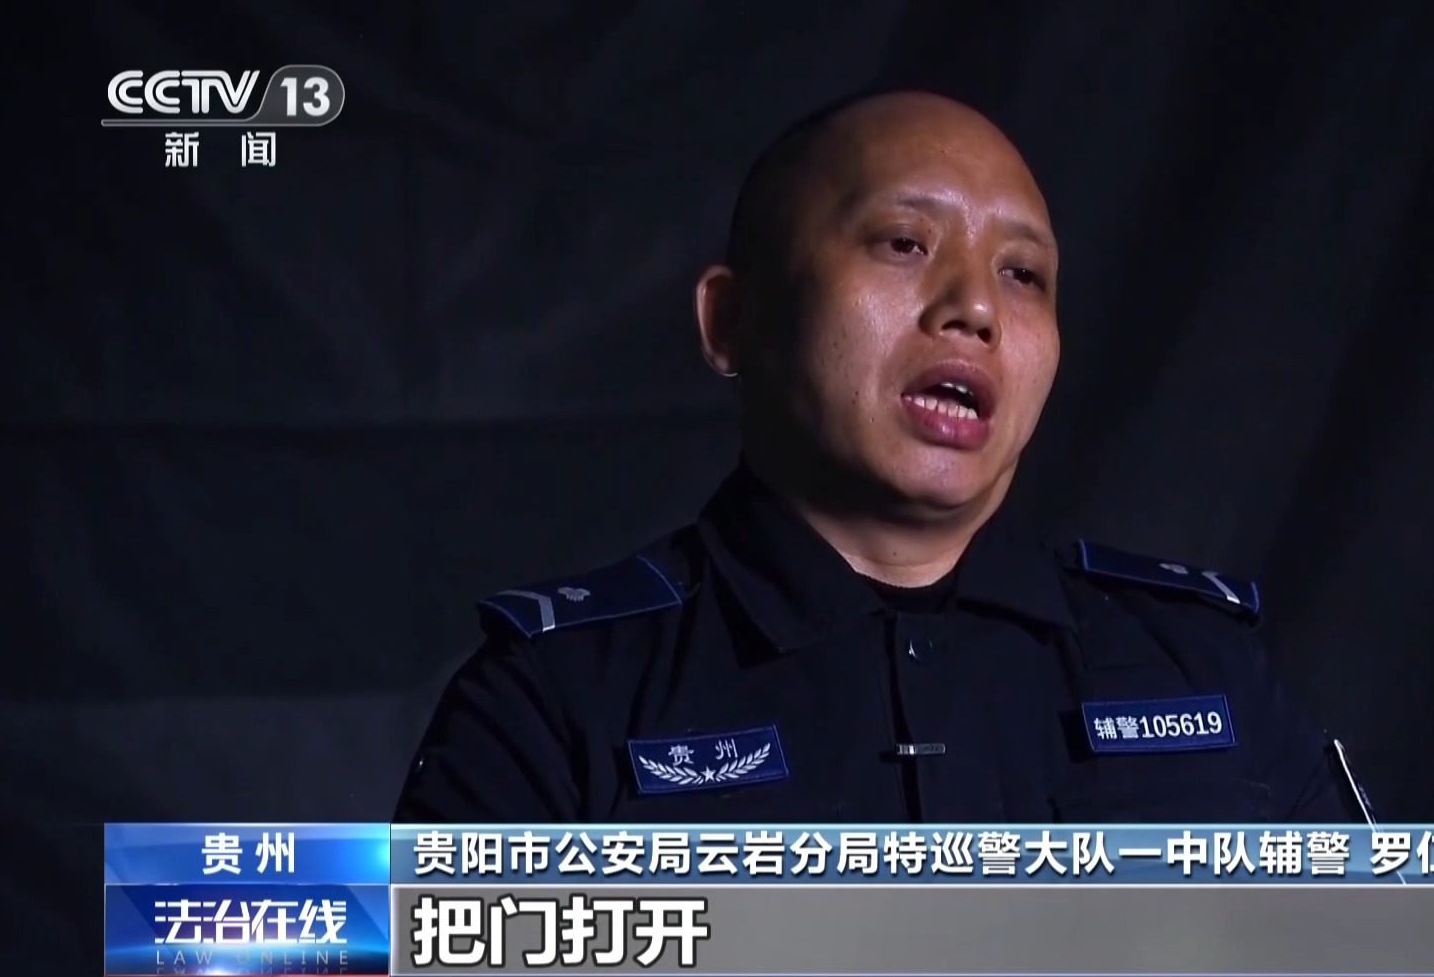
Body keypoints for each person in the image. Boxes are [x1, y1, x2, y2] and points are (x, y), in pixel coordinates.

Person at [395, 90, 1377, 825]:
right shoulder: (555, 697)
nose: (975, 306)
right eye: (904, 242)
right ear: (732, 320)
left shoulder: (1204, 667)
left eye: (1023, 273)